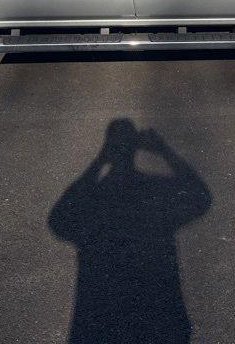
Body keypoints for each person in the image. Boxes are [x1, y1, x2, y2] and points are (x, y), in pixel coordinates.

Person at [49, 119, 211, 344]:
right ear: (137, 148)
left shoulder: (93, 199)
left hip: (101, 320)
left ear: (108, 149)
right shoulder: (155, 193)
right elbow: (200, 197)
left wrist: (98, 162)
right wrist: (164, 151)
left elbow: (58, 219)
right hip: (158, 315)